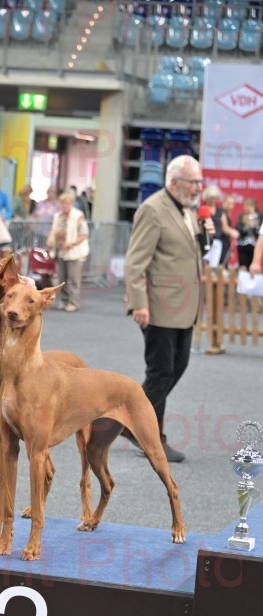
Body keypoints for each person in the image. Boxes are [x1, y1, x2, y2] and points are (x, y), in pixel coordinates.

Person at [123, 154, 214, 464]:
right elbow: (136, 260)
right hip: (158, 306)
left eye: (201, 182)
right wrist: (139, 303)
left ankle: (129, 420)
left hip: (184, 306)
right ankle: (150, 437)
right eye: (194, 182)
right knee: (161, 372)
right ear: (174, 182)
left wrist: (204, 233)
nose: (199, 188)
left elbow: (190, 253)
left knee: (177, 367)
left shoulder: (189, 211)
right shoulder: (153, 209)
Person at [45, 191, 89, 312]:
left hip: (75, 253)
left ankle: (73, 302)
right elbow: (53, 230)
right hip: (60, 251)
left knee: (73, 279)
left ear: (72, 204)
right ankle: (64, 300)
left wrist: (72, 243)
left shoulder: (78, 216)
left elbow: (84, 234)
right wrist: (50, 240)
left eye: (67, 203)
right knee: (62, 279)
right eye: (62, 203)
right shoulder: (57, 216)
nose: (64, 205)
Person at [236, 197, 262, 269]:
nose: (246, 208)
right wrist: (247, 226)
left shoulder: (260, 216)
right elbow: (239, 229)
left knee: (252, 267)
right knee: (243, 266)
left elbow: (260, 233)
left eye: (248, 206)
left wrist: (256, 226)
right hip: (243, 245)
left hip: (254, 246)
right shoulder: (242, 216)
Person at [218, 193, 239, 267]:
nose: (230, 206)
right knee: (221, 265)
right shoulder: (221, 212)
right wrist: (234, 232)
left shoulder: (227, 213)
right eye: (228, 203)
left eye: (232, 204)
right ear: (223, 202)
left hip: (226, 242)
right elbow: (224, 228)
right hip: (221, 242)